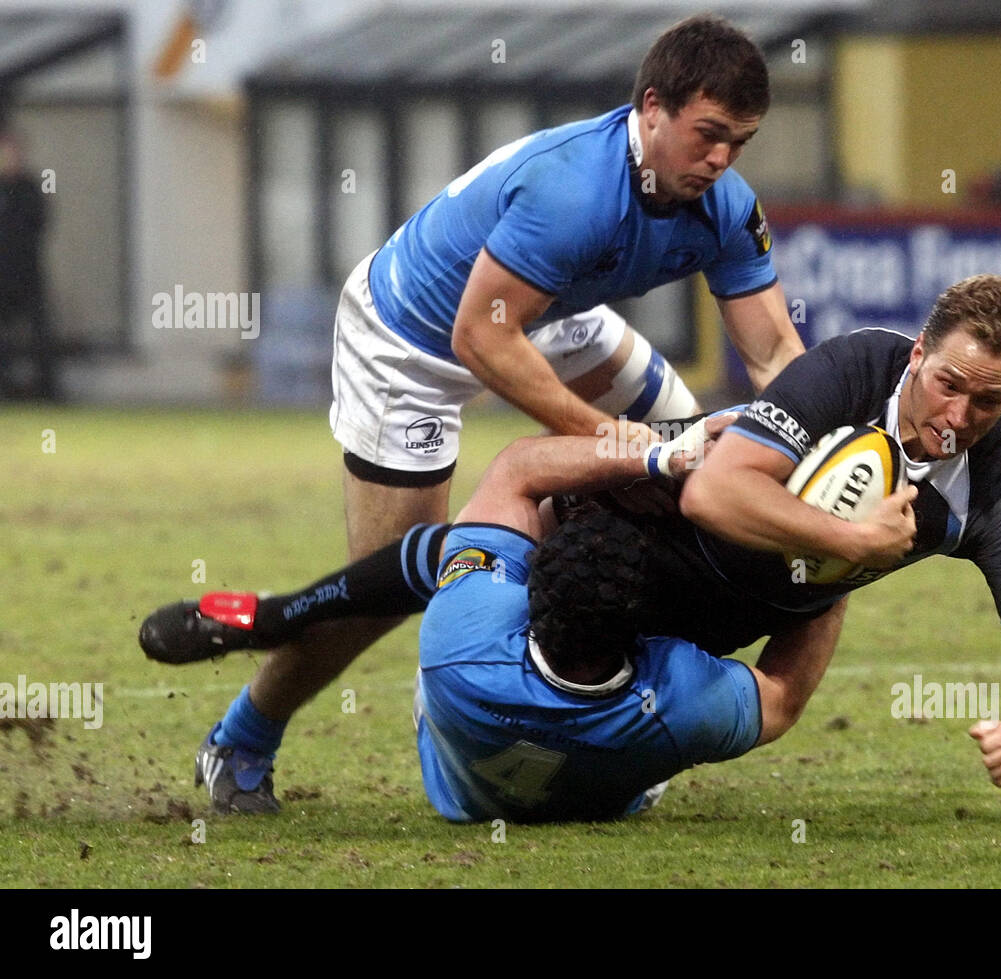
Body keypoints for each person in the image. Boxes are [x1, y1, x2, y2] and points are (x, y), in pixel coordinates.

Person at [229, 14, 805, 779]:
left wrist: (819, 449)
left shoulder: (727, 205)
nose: (722, 158)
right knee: (387, 584)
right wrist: (623, 445)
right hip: (410, 339)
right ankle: (241, 739)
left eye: (741, 140)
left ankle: (612, 699)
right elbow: (480, 338)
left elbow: (772, 353)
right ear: (652, 106)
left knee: (688, 490)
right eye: (707, 133)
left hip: (550, 319)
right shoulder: (573, 192)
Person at [144, 416, 850, 821]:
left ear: (530, 603)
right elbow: (782, 694)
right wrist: (833, 553)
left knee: (461, 545)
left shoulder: (464, 639)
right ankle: (273, 623)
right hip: (608, 777)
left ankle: (272, 628)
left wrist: (659, 454)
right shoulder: (683, 699)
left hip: (455, 739)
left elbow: (518, 466)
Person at [679, 273, 1001, 788]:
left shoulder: (999, 492)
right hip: (661, 540)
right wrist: (852, 540)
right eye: (948, 384)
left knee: (768, 711)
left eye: (988, 401)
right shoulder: (854, 370)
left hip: (771, 606)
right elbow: (711, 494)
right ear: (918, 355)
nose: (958, 416)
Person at [0, 125, 59, 401]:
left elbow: (40, 224)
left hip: (27, 275)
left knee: (41, 334)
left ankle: (47, 390)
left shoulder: (29, 188)